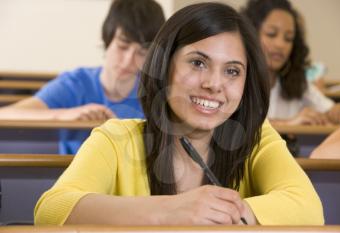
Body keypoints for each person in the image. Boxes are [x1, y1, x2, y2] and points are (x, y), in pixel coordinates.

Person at [34, 2, 324, 225]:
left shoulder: (258, 138)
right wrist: (173, 211)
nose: (213, 84)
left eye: (232, 71)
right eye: (198, 63)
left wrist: (219, 215)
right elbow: (51, 210)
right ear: (164, 65)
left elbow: (309, 208)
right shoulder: (115, 138)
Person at [0, 0, 165, 154]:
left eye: (143, 52)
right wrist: (64, 114)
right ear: (107, 40)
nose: (129, 60)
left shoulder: (154, 94)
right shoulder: (75, 84)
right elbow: (5, 114)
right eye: (122, 46)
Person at [242, 0, 340, 127]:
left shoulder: (298, 83)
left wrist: (338, 114)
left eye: (288, 38)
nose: (280, 44)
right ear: (251, 35)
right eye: (271, 34)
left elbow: (331, 110)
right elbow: (235, 126)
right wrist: (289, 123)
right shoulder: (236, 80)